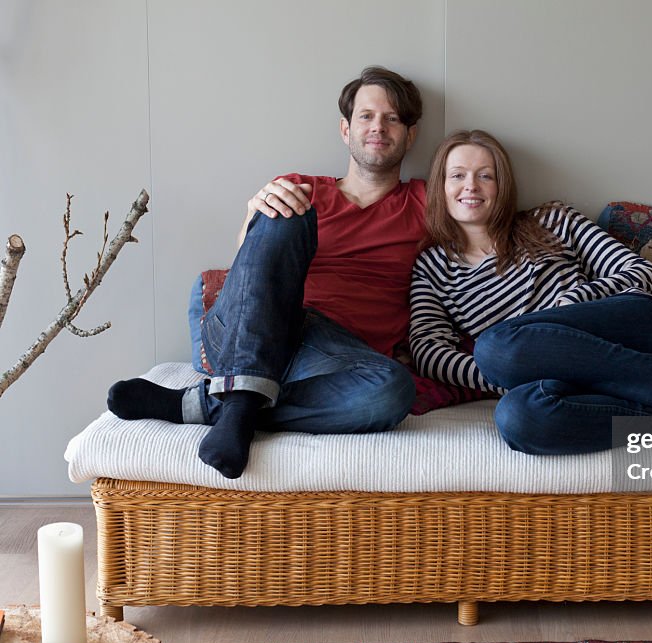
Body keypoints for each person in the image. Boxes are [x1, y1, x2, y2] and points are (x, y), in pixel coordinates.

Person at [106, 66, 427, 478]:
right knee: (283, 211)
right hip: (253, 327)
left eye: (392, 118)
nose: (378, 127)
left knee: (392, 390)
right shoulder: (299, 187)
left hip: (333, 357)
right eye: (366, 116)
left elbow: (486, 225)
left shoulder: (426, 204)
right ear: (346, 129)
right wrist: (253, 213)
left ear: (410, 134)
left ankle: (207, 405)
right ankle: (239, 404)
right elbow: (249, 273)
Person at [409, 130, 652, 455]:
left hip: (631, 332)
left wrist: (570, 306)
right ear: (440, 187)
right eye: (457, 175)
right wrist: (523, 369)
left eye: (485, 176)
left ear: (502, 185)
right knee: (518, 418)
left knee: (496, 345)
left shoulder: (551, 220)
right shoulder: (432, 267)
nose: (470, 187)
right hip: (561, 380)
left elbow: (643, 273)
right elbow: (428, 352)